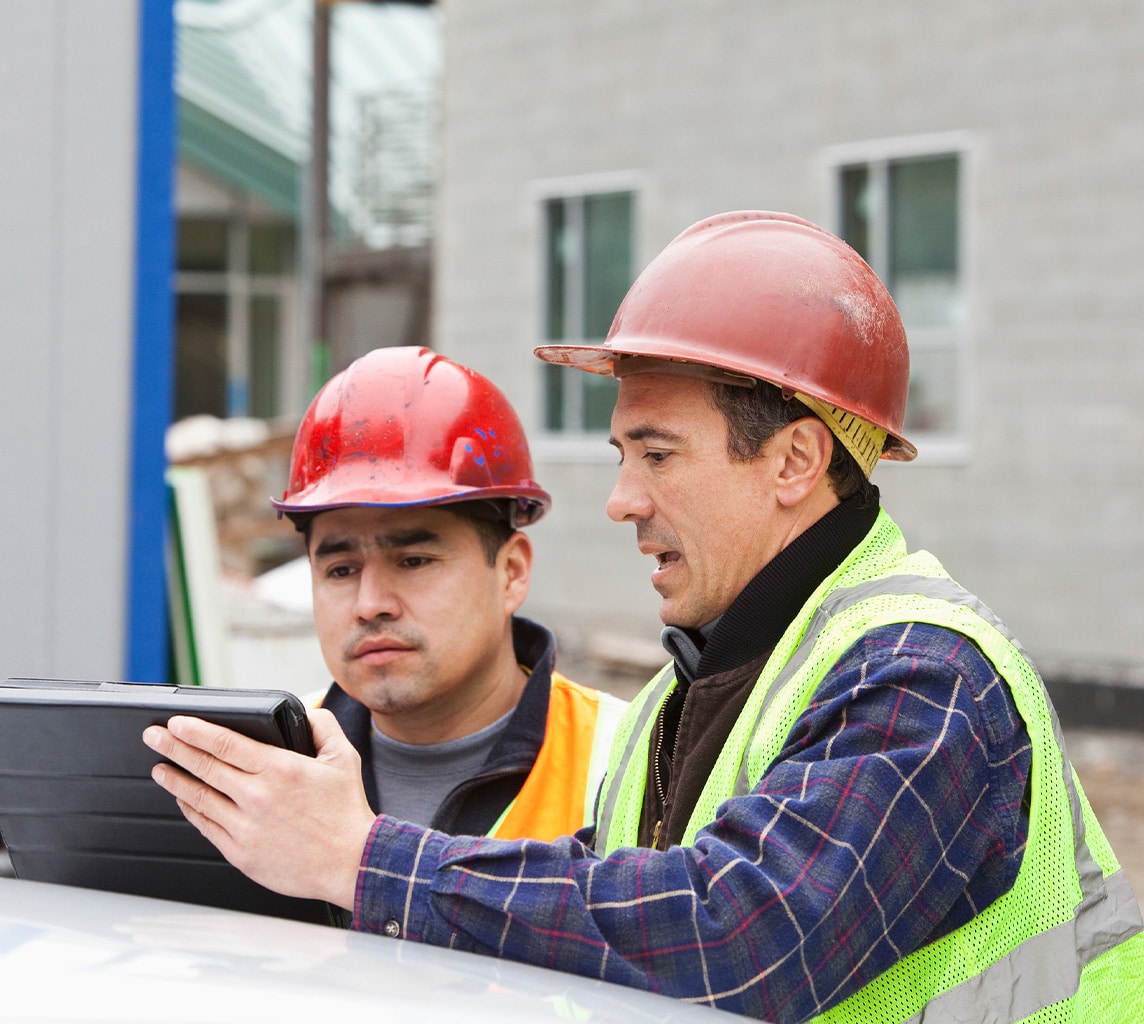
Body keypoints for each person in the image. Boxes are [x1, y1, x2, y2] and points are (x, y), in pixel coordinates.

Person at [144, 213, 1144, 1023]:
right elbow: (615, 900)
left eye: (656, 454)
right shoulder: (690, 687)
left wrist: (365, 860)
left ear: (794, 461)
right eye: (622, 455)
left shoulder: (926, 677)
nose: (621, 498)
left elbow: (739, 939)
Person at [265, 345, 627, 840]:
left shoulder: (625, 761)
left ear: (512, 572)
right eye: (342, 570)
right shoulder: (274, 759)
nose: (371, 605)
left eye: (414, 561)